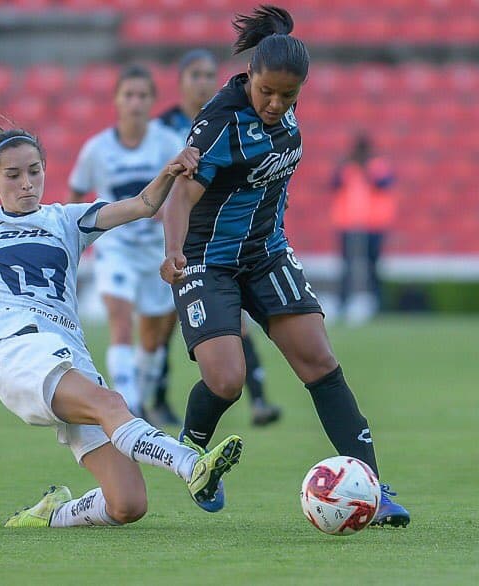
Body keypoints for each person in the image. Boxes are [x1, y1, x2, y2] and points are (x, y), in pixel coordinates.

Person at [0, 115, 242, 527]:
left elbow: (144, 205)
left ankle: (52, 515)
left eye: (34, 171)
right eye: (14, 174)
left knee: (127, 505)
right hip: (20, 353)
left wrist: (168, 172)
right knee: (112, 404)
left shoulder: (66, 220)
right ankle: (191, 466)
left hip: (71, 356)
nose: (27, 183)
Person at [159, 5, 410, 527]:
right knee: (227, 380)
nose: (275, 104)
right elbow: (179, 199)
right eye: (266, 93)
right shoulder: (221, 123)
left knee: (319, 361)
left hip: (266, 253)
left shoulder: (281, 103)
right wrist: (174, 252)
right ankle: (193, 451)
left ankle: (373, 486)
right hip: (207, 259)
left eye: (288, 96)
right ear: (249, 77)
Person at [155, 48, 283, 427]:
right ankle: (158, 398)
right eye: (195, 74)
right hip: (169, 237)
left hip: (216, 244)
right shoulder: (163, 129)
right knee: (159, 326)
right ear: (179, 82)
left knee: (237, 323)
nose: (203, 82)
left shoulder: (233, 119)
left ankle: (259, 399)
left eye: (209, 74)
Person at [69, 64, 185, 420]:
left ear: (152, 101)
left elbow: (183, 192)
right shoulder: (97, 148)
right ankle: (128, 405)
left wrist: (171, 218)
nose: (135, 102)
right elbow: (76, 192)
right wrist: (78, 242)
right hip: (116, 248)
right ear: (118, 100)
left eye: (142, 96)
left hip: (156, 252)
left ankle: (142, 397)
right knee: (120, 321)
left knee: (153, 338)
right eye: (129, 95)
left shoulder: (168, 144)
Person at [329, 133, 396, 325]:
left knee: (373, 266)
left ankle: (378, 304)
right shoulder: (348, 168)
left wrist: (367, 171)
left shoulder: (377, 167)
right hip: (348, 224)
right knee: (348, 267)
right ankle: (343, 304)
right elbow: (334, 184)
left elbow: (385, 184)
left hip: (373, 225)